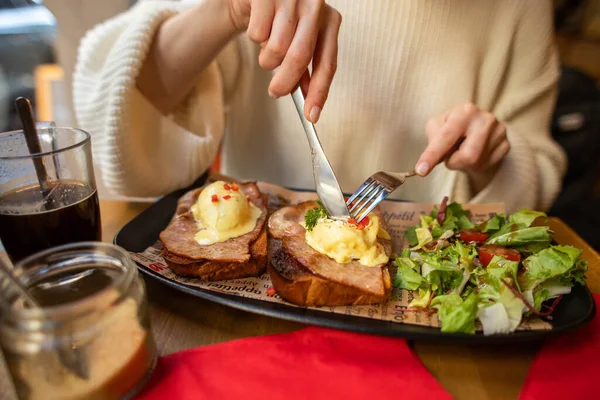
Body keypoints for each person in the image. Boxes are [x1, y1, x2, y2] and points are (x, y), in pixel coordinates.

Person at [72, 0, 566, 213]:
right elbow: (111, 118)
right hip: (247, 300)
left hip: (430, 318)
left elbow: (539, 168)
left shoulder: (520, 7)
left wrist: (493, 155)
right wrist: (227, 10)